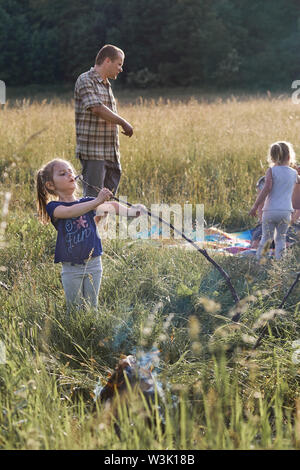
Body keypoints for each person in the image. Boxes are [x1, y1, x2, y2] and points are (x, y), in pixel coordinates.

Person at [36, 159, 145, 310]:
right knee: (74, 309)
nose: (69, 174)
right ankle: (76, 331)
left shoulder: (87, 202)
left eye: (70, 172)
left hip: (94, 263)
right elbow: (69, 212)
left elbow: (111, 205)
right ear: (51, 185)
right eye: (62, 173)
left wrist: (132, 212)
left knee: (92, 307)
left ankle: (92, 331)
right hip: (71, 268)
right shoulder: (54, 207)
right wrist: (97, 201)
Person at [74, 44, 133, 198]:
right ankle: (89, 223)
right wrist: (123, 122)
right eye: (119, 64)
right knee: (93, 200)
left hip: (111, 153)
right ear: (107, 61)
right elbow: (96, 108)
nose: (121, 69)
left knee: (108, 201)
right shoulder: (86, 79)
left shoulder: (107, 85)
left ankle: (102, 223)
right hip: (94, 152)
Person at [249, 141, 300, 260]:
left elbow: (266, 188)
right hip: (286, 212)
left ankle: (260, 261)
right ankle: (280, 263)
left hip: (270, 211)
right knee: (281, 239)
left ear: (272, 158)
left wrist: (255, 206)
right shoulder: (293, 174)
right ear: (289, 157)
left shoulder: (271, 171)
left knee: (266, 238)